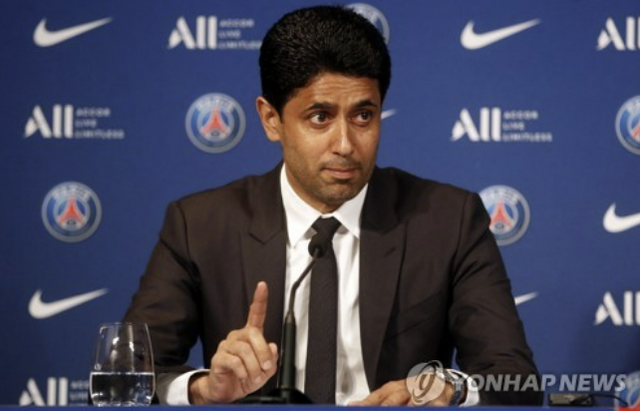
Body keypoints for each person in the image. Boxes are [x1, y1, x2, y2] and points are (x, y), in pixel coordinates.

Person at [123, 5, 542, 406]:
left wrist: (450, 389)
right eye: (320, 117)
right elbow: (124, 378)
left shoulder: (449, 221)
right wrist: (203, 390)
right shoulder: (200, 225)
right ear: (271, 119)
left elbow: (515, 379)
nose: (345, 144)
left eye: (363, 116)